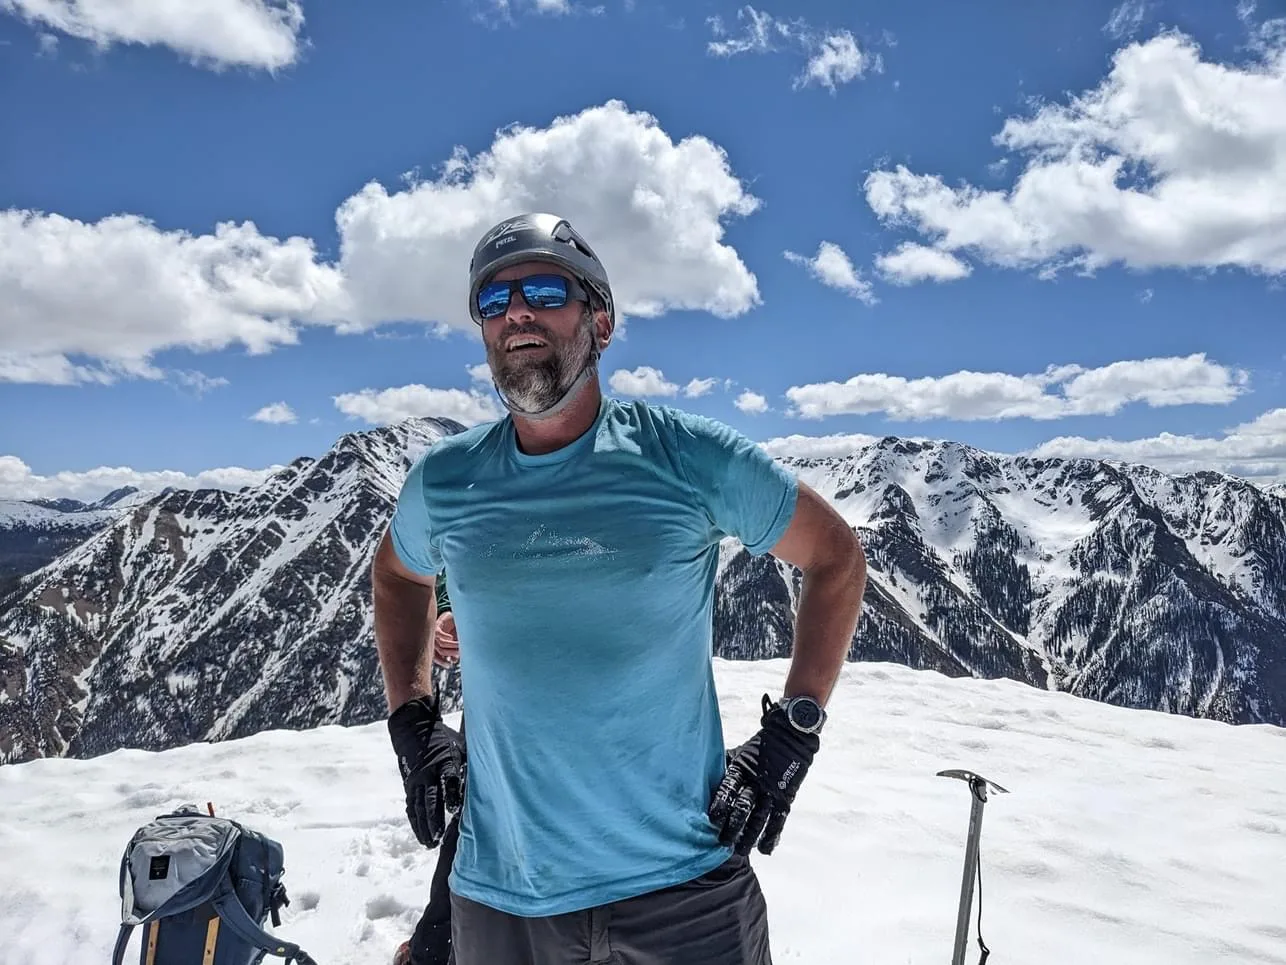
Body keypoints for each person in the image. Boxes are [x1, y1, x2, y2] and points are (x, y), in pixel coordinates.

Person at [372, 212, 867, 965]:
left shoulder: (686, 456)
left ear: (600, 321)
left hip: (687, 887)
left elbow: (836, 556)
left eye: (543, 290)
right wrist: (412, 718)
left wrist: (791, 732)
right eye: (494, 301)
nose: (517, 313)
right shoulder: (446, 481)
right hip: (506, 895)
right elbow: (397, 573)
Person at [394, 569, 465, 965]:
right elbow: (417, 571)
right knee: (470, 835)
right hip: (499, 723)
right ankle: (431, 951)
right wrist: (449, 606)